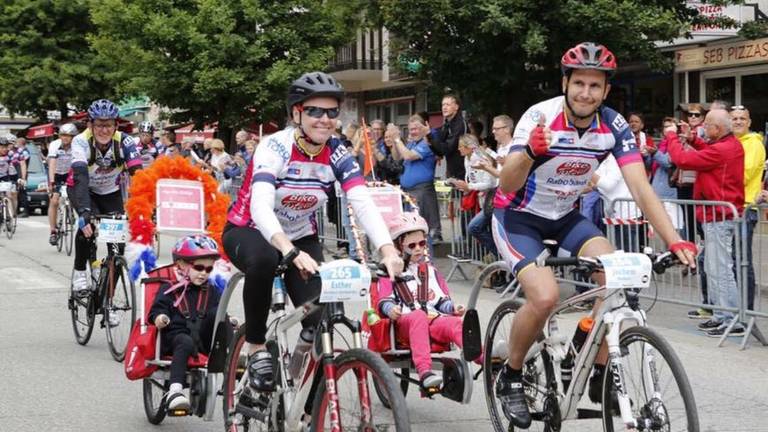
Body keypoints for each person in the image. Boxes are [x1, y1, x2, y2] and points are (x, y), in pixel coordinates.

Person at [491, 42, 696, 428]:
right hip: (518, 217)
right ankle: (512, 375)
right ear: (566, 83)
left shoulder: (613, 125)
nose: (586, 92)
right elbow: (507, 181)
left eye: (594, 86)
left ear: (605, 91)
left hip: (565, 216)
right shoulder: (539, 116)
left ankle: (596, 363)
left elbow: (640, 188)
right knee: (546, 296)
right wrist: (530, 153)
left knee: (617, 278)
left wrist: (674, 240)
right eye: (579, 83)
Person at [222, 71, 403, 395]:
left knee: (323, 314)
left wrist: (388, 250)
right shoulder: (274, 147)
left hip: (301, 236)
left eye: (332, 112)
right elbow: (261, 207)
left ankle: (305, 393)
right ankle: (255, 346)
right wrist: (287, 250)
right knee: (263, 261)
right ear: (297, 114)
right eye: (315, 111)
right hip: (250, 230)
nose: (325, 119)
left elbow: (361, 201)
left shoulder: (336, 153)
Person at [376, 212, 482, 390]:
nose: (418, 248)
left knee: (455, 323)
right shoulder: (388, 272)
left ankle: (485, 357)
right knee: (417, 316)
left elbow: (440, 301)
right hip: (405, 323)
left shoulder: (430, 271)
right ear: (398, 247)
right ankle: (425, 372)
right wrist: (391, 309)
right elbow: (383, 301)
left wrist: (453, 308)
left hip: (431, 319)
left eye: (422, 243)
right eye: (412, 245)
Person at [666, 109, 744, 337]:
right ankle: (722, 315)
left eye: (707, 125)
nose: (703, 128)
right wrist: (693, 140)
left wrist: (671, 136)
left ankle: (731, 319)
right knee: (714, 267)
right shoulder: (726, 145)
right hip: (716, 215)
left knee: (721, 269)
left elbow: (682, 159)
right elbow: (709, 153)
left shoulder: (723, 148)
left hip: (719, 216)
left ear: (717, 129)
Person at [69, 99, 142, 301]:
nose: (104, 129)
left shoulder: (125, 142)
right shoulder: (80, 141)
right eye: (99, 124)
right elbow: (81, 178)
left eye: (108, 124)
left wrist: (145, 207)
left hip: (111, 193)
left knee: (117, 249)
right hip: (84, 190)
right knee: (87, 227)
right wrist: (84, 211)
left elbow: (138, 174)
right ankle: (80, 272)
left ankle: (107, 300)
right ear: (90, 125)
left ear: (116, 125)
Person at [148, 235, 224, 411]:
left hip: (202, 341)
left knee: (217, 314)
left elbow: (217, 315)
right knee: (184, 341)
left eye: (208, 269)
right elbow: (156, 310)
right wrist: (160, 318)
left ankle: (234, 356)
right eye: (198, 267)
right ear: (182, 265)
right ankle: (175, 391)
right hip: (176, 338)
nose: (203, 273)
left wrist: (227, 320)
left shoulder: (211, 290)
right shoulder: (168, 288)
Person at [731, 105, 765, 311]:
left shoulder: (753, 144)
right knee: (733, 262)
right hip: (730, 209)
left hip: (745, 210)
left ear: (749, 122)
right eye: (734, 118)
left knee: (742, 261)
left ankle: (746, 312)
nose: (738, 122)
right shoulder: (730, 143)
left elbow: (744, 175)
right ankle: (736, 310)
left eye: (742, 118)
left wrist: (719, 184)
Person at [392, 115, 443, 242]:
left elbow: (408, 156)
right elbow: (397, 157)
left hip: (422, 190)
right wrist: (394, 141)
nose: (413, 132)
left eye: (416, 128)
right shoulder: (411, 143)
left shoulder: (426, 142)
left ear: (424, 127)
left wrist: (398, 140)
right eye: (410, 129)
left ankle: (427, 256)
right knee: (412, 227)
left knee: (422, 226)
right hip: (408, 190)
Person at [456, 134, 497, 255]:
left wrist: (469, 186)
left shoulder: (481, 158)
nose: (458, 149)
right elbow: (471, 178)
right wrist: (466, 186)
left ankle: (497, 253)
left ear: (469, 147)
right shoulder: (466, 159)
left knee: (475, 227)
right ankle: (492, 256)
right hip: (481, 199)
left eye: (461, 146)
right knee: (479, 227)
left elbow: (490, 182)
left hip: (491, 199)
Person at [46, 123, 78, 245]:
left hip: (70, 173)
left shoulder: (77, 145)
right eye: (63, 135)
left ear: (73, 137)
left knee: (75, 197)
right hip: (56, 173)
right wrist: (52, 182)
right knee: (54, 200)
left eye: (68, 136)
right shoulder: (55, 145)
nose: (65, 138)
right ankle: (53, 231)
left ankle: (72, 214)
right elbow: (52, 163)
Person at [650, 117, 683, 235]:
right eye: (665, 127)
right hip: (657, 191)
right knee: (658, 229)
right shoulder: (661, 145)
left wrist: (654, 153)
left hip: (670, 193)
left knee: (674, 227)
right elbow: (653, 166)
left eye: (670, 126)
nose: (667, 129)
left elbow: (669, 162)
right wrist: (646, 155)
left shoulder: (679, 143)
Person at [433, 94, 468, 179]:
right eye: (443, 105)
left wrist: (430, 139)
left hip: (462, 170)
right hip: (452, 169)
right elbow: (440, 147)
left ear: (456, 107)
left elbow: (448, 148)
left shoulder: (459, 124)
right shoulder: (448, 123)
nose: (444, 107)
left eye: (447, 105)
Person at [627, 112, 655, 176]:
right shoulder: (624, 138)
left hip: (644, 173)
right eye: (631, 122)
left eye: (636, 122)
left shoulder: (647, 138)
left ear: (642, 125)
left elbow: (650, 160)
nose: (633, 124)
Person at [0, 137, 21, 219]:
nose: (5, 149)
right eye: (2, 147)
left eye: (6, 147)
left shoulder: (10, 154)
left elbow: (16, 166)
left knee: (9, 195)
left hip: (6, 177)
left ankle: (9, 216)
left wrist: (18, 178)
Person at [11, 136, 30, 218]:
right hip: (16, 173)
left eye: (16, 142)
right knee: (16, 193)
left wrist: (23, 177)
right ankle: (16, 210)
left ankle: (25, 211)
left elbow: (23, 164)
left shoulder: (23, 152)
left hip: (22, 173)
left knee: (22, 192)